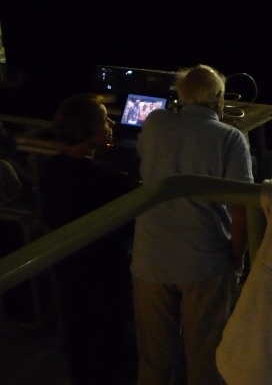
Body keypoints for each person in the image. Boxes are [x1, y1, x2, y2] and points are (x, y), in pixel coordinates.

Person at [131, 64, 253, 385]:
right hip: (205, 264)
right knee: (206, 361)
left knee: (154, 362)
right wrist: (236, 258)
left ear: (181, 96)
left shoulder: (155, 124)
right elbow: (243, 208)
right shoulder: (231, 139)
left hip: (149, 261)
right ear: (219, 100)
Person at [37, 93, 135, 385]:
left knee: (78, 333)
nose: (111, 123)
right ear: (90, 133)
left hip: (68, 267)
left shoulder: (49, 171)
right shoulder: (108, 182)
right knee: (109, 338)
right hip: (106, 271)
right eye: (105, 120)